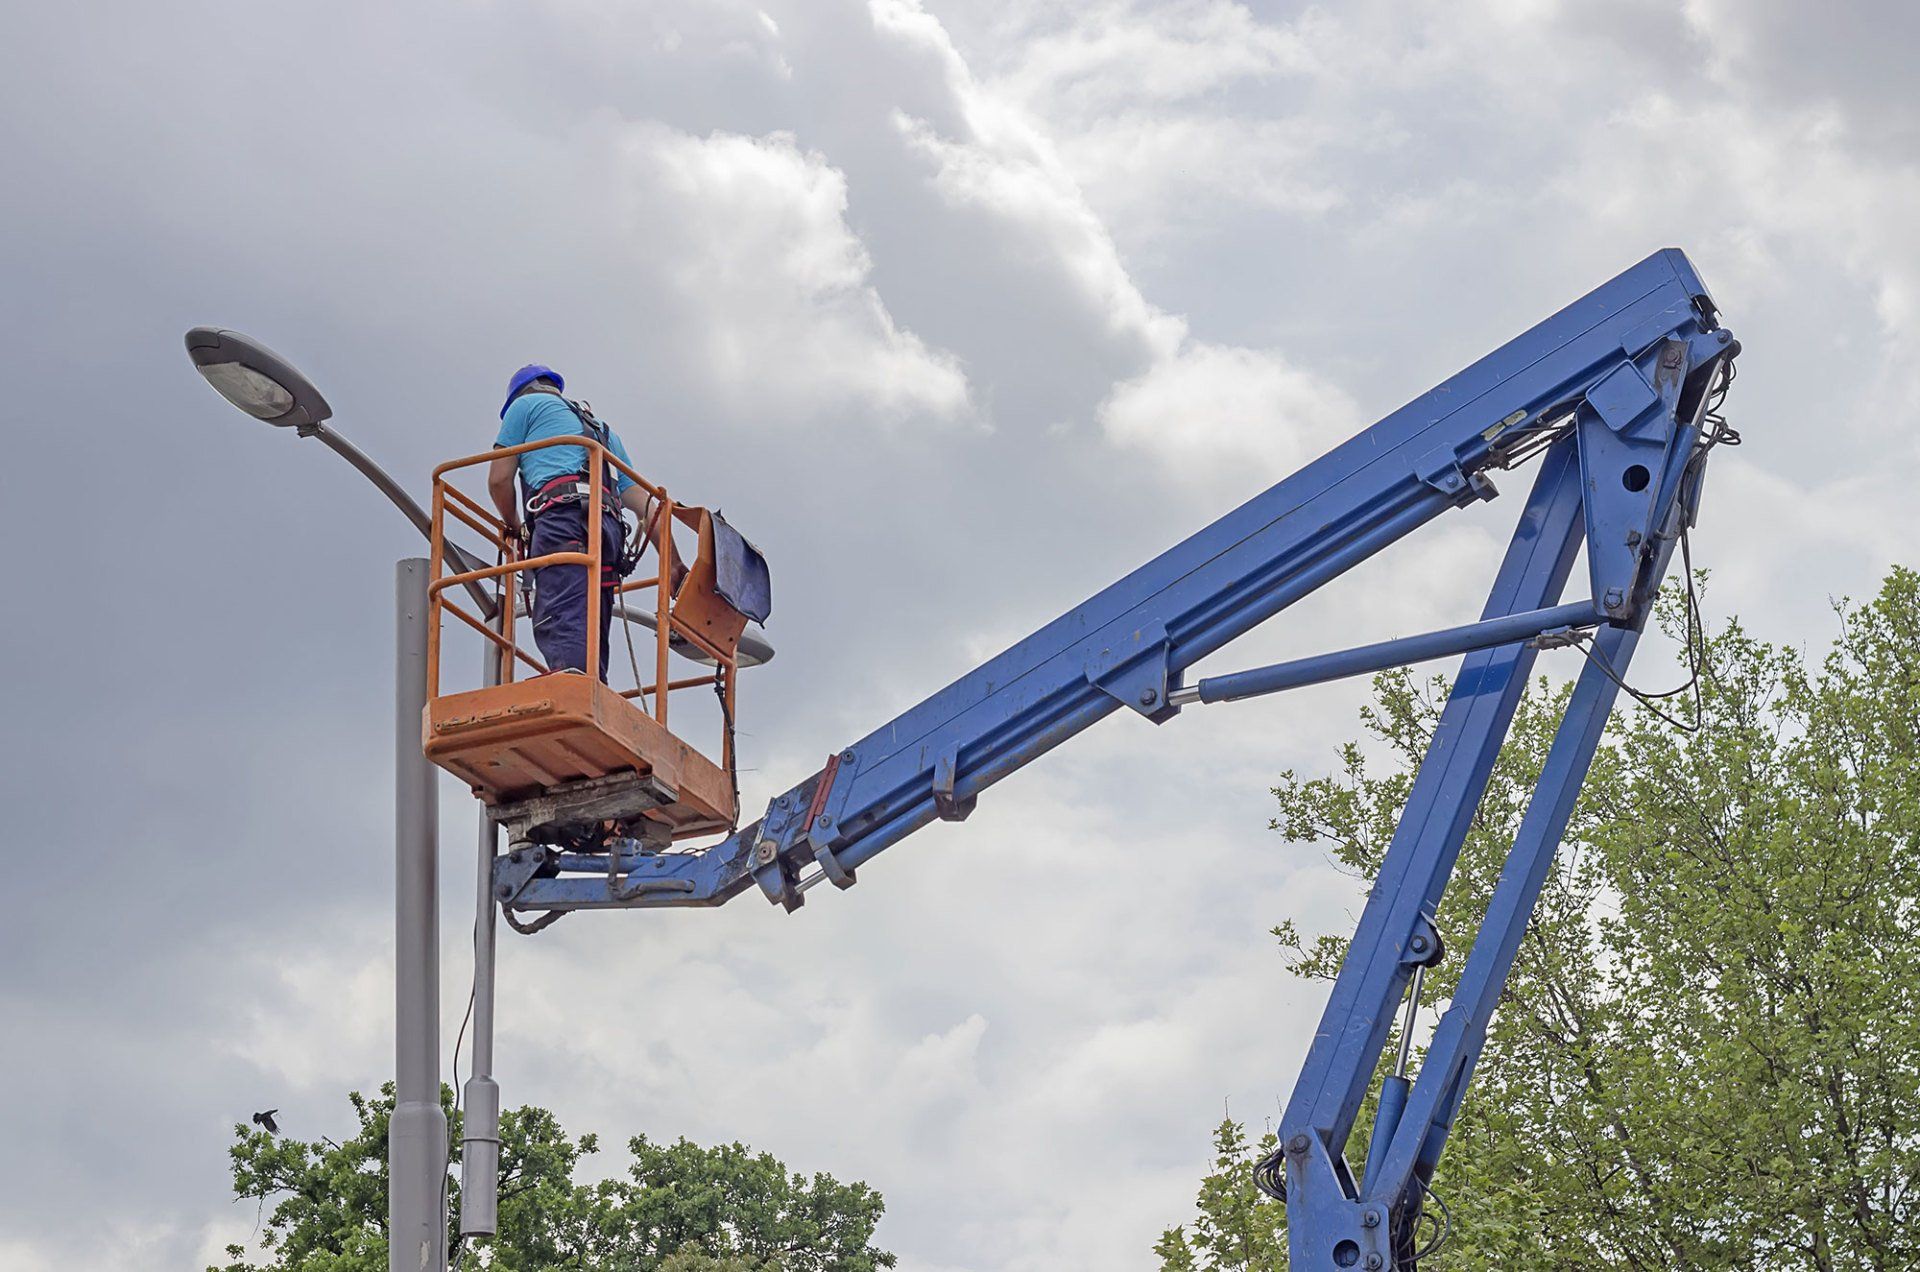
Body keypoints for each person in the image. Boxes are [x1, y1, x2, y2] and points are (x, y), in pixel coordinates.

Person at [486, 364, 675, 679]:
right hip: (608, 527)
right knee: (592, 612)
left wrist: (516, 526)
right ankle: (591, 684)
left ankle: (570, 681)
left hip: (562, 517)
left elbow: (499, 479)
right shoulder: (600, 428)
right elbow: (646, 505)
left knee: (561, 604)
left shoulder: (523, 406)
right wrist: (672, 561)